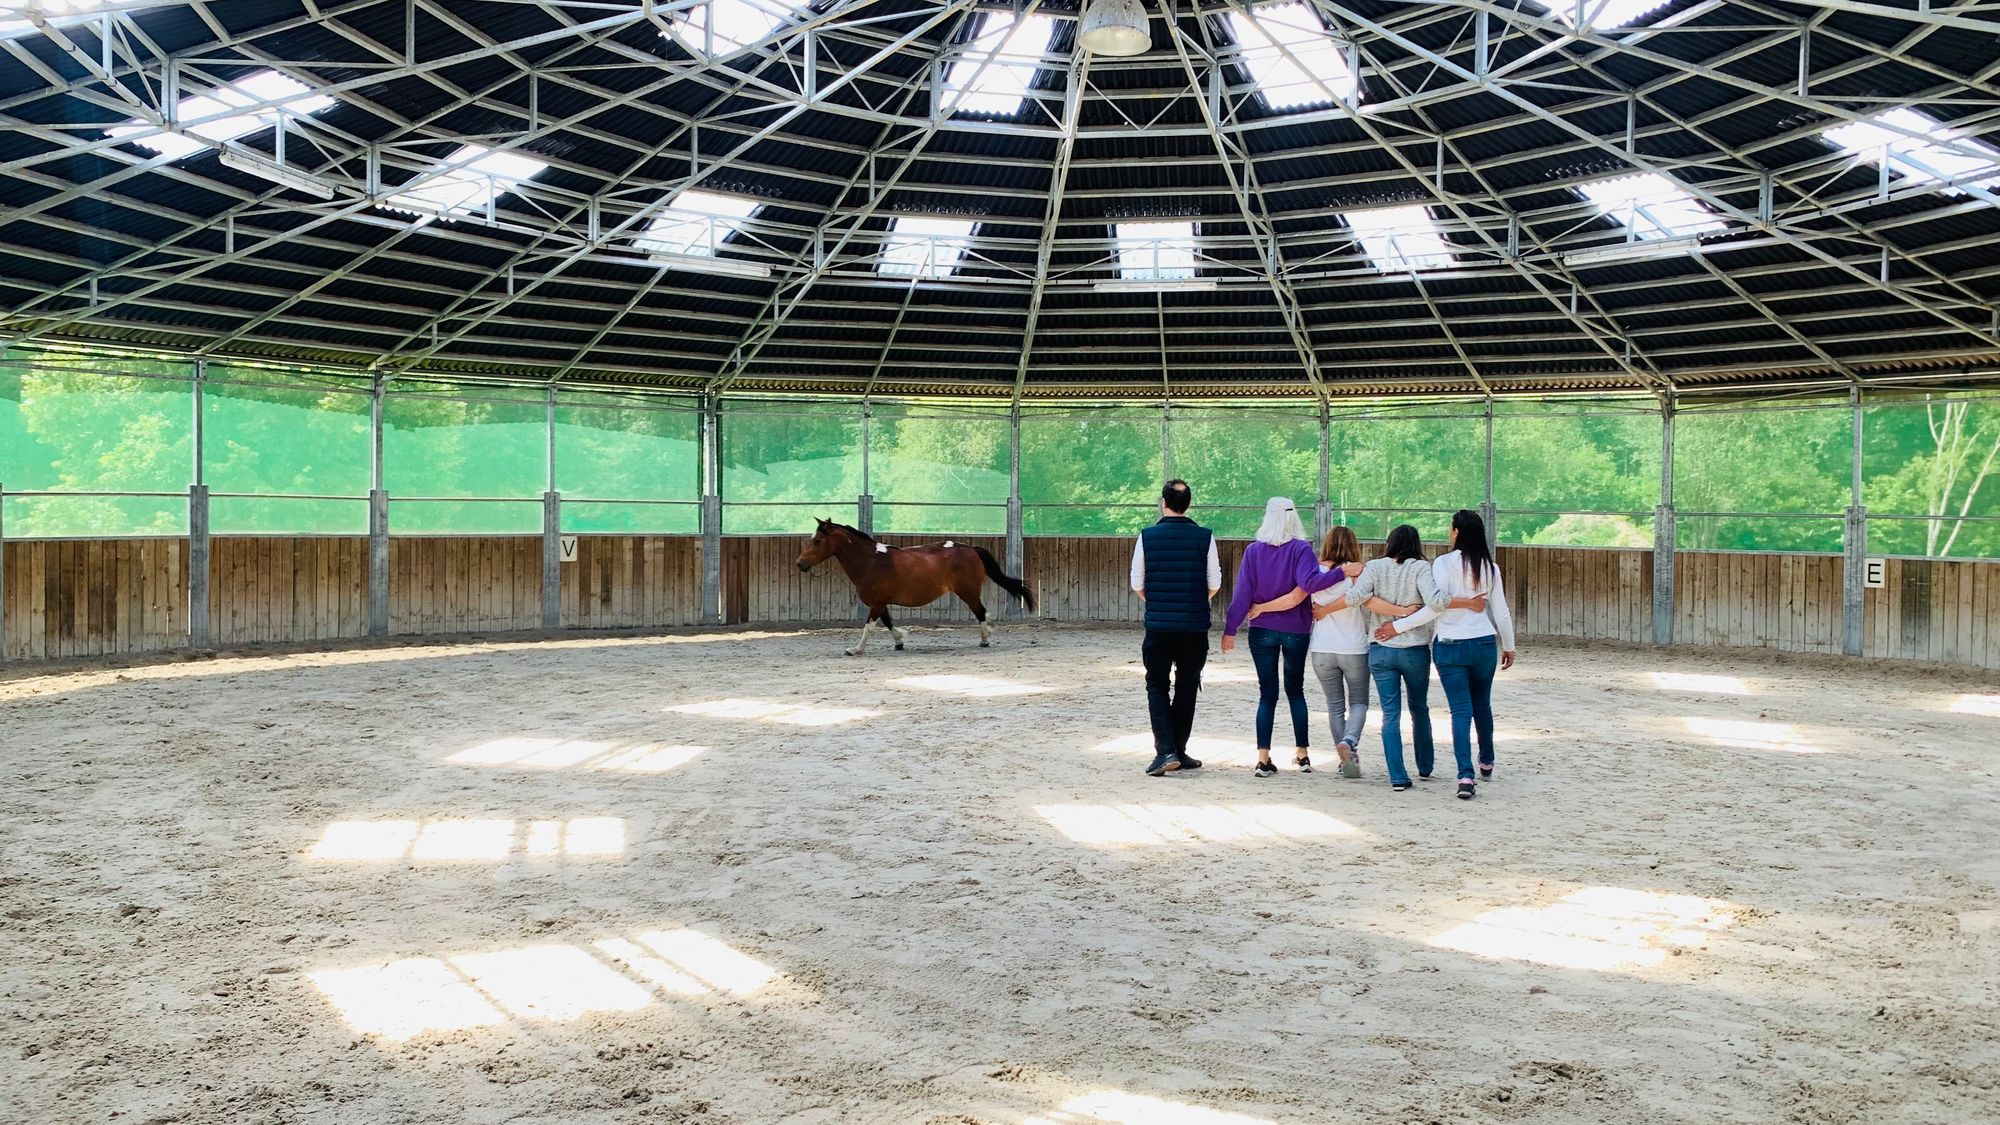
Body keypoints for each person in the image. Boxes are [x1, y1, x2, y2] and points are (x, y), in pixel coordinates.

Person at [1385, 510, 1517, 800]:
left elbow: (1435, 606)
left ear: (1456, 532)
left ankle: (1465, 775)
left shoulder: (1443, 564)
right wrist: (1509, 645)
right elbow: (1501, 611)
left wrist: (1398, 625)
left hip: (1450, 644)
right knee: (1482, 703)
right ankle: (1487, 759)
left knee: (1460, 710)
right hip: (1483, 643)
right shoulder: (1490, 568)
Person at [1220, 498, 1350, 778]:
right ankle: (1302, 754)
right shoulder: (1301, 549)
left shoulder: (1253, 551)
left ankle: (1263, 757)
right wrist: (1342, 572)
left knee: (1267, 695)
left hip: (1262, 629)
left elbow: (1242, 594)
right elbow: (1310, 584)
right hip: (1296, 629)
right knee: (1295, 691)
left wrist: (1231, 629)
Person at [1345, 524, 1448, 792]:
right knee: (1419, 708)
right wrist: (1407, 613)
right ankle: (1425, 766)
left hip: (1380, 647)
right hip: (1413, 648)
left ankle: (1398, 776)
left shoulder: (1375, 567)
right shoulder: (1421, 568)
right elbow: (1435, 602)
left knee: (1390, 714)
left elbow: (1354, 597)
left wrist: (1373, 595)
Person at [1130, 479, 1222, 777]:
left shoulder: (1147, 536)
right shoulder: (1205, 537)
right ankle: (1178, 750)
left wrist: (1156, 600)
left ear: (1163, 503)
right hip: (1194, 627)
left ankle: (1165, 750)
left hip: (1159, 626)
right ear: (1189, 504)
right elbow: (1214, 584)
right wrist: (1194, 600)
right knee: (1187, 686)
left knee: (1157, 685)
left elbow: (1137, 583)